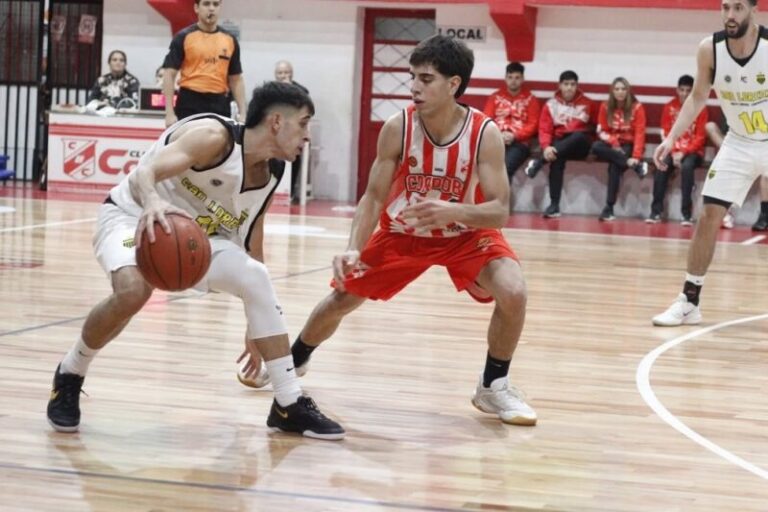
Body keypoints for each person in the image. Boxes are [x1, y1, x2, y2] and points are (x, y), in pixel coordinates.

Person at [241, 35, 537, 427]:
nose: (414, 86)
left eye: (426, 79)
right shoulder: (398, 127)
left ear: (454, 85)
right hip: (402, 233)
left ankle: (493, 384)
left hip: (465, 235)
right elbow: (373, 197)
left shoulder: (485, 134)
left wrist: (454, 211)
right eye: (412, 76)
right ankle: (295, 360)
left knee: (514, 290)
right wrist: (352, 249)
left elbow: (499, 211)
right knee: (341, 299)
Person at [46, 81, 345, 441]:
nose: (307, 135)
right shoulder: (213, 137)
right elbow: (144, 173)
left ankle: (287, 403)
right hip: (134, 217)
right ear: (277, 122)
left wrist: (256, 323)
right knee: (133, 291)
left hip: (197, 240)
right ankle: (70, 373)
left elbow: (253, 239)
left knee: (254, 275)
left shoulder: (271, 173)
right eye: (304, 123)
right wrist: (154, 201)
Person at [653, 0, 767, 326]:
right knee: (708, 216)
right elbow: (698, 97)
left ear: (753, 10)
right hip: (739, 143)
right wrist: (671, 138)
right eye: (725, 7)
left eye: (738, 9)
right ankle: (689, 300)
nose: (730, 16)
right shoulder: (710, 49)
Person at [161, 0, 246, 127]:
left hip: (219, 103)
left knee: (218, 145)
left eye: (215, 4)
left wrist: (243, 113)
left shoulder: (230, 40)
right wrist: (169, 112)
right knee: (189, 145)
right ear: (196, 8)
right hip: (190, 102)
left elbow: (236, 79)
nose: (211, 8)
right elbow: (169, 74)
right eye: (206, 4)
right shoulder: (183, 37)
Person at [524, 70, 594, 218]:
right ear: (560, 85)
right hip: (560, 145)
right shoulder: (551, 105)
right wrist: (546, 147)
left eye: (573, 84)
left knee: (578, 136)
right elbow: (544, 129)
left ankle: (538, 162)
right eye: (566, 84)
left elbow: (578, 126)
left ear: (577, 86)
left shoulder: (586, 103)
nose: (569, 88)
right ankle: (554, 205)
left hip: (581, 146)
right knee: (556, 158)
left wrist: (555, 142)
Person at [646, 75, 708, 225]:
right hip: (673, 150)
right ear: (677, 90)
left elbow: (700, 137)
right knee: (661, 165)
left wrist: (684, 152)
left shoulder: (701, 109)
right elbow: (665, 133)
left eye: (688, 90)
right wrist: (674, 152)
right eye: (682, 90)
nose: (685, 93)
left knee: (687, 167)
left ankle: (686, 214)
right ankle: (655, 212)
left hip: (693, 152)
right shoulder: (669, 107)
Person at [591, 77, 649, 221]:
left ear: (628, 91)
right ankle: (634, 167)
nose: (620, 92)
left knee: (614, 167)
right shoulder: (605, 106)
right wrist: (613, 142)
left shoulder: (637, 107)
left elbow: (639, 133)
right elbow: (601, 130)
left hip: (627, 146)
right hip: (611, 145)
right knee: (596, 146)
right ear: (612, 91)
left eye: (623, 89)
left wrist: (636, 156)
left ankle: (609, 208)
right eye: (617, 89)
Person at [483, 62, 540, 183]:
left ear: (523, 79)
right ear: (505, 78)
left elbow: (533, 125)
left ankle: (501, 202)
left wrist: (515, 136)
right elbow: (486, 120)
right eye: (510, 77)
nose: (513, 81)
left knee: (506, 169)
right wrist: (499, 135)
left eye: (517, 77)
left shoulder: (531, 99)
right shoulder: (495, 97)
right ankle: (487, 201)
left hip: (520, 143)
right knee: (485, 168)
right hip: (496, 140)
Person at [273, 60, 309, 203]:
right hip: (274, 132)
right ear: (275, 75)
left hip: (293, 133)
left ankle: (291, 191)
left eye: (286, 72)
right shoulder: (269, 90)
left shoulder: (301, 91)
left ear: (291, 74)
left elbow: (305, 113)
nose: (283, 76)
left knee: (295, 154)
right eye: (280, 73)